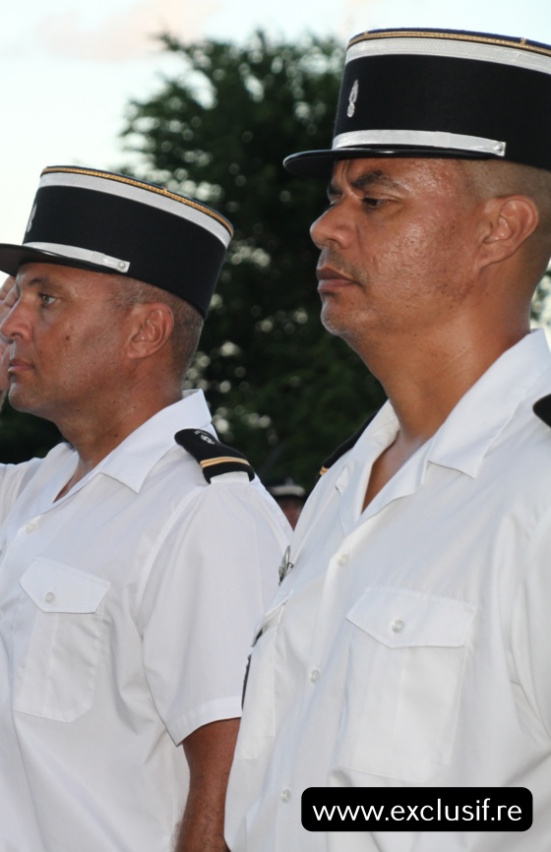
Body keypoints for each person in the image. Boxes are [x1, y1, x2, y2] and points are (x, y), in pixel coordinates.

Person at [0, 165, 290, 851]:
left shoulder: (203, 511)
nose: (12, 324)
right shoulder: (40, 487)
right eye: (15, 298)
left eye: (46, 299)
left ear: (144, 331)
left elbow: (232, 778)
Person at [225, 29, 551, 851]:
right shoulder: (344, 485)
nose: (324, 228)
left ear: (498, 229)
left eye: (373, 200)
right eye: (333, 196)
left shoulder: (537, 488)